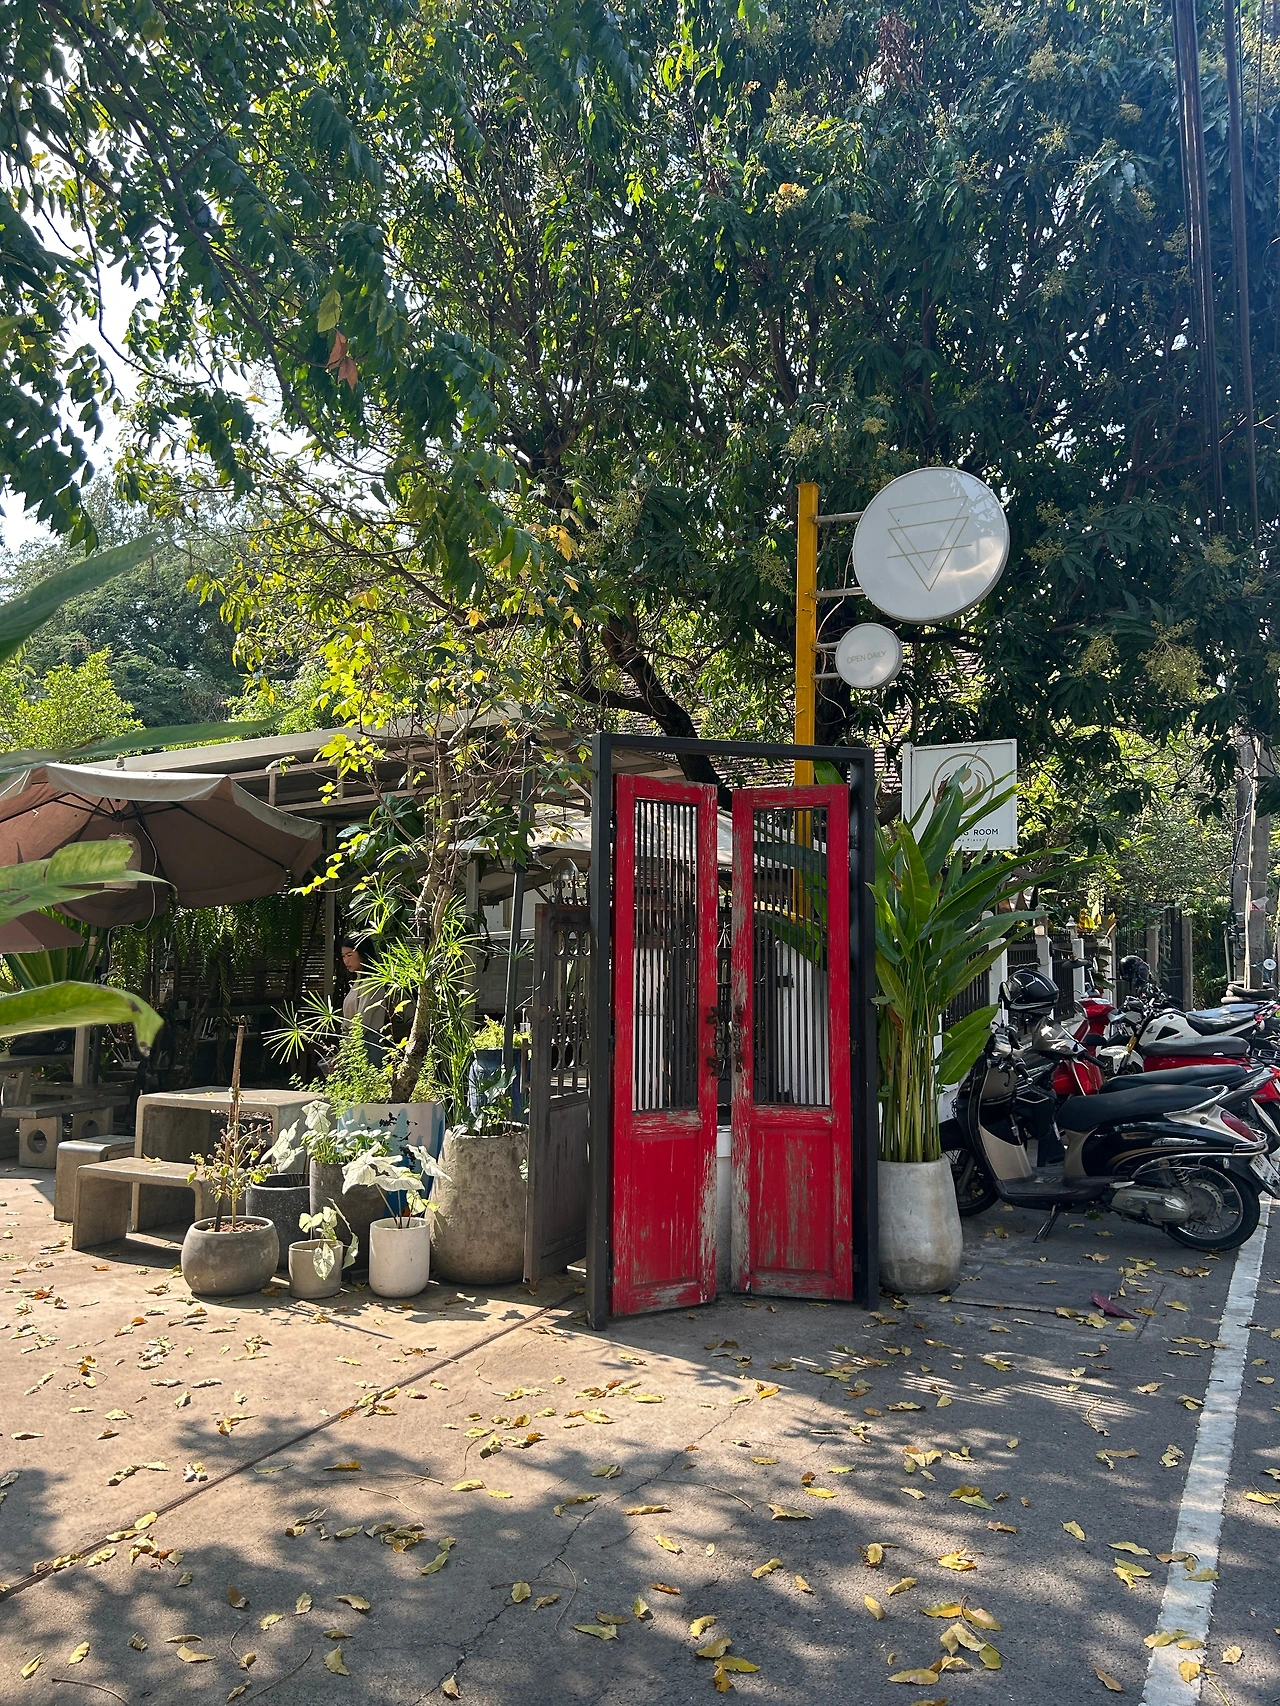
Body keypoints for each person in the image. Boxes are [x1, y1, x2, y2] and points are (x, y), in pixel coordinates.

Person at [339, 934, 387, 1066]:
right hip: (353, 1043)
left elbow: (362, 1022)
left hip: (367, 1045)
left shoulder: (372, 982)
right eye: (343, 956)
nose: (346, 960)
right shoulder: (358, 981)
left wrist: (344, 1052)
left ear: (363, 954)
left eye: (349, 955)